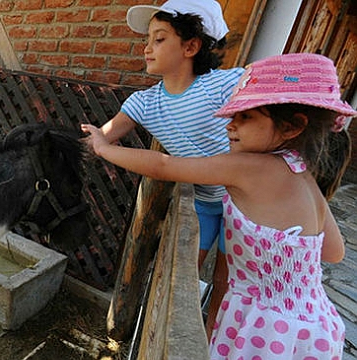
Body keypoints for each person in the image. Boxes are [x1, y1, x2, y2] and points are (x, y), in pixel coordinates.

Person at [82, 52, 353, 359]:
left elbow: (163, 164)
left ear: (292, 127)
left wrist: (104, 147)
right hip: (315, 326)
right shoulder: (303, 175)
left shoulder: (247, 167)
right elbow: (334, 251)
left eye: (245, 116)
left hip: (262, 329)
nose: (230, 126)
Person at [102, 0, 244, 337]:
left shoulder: (225, 85)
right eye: (147, 39)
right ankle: (165, 337)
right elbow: (106, 135)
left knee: (227, 282)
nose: (147, 48)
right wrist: (96, 138)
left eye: (160, 38)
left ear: (192, 46)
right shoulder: (144, 103)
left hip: (244, 203)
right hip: (203, 204)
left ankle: (214, 337)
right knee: (181, 272)